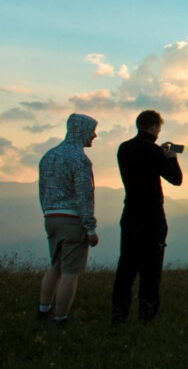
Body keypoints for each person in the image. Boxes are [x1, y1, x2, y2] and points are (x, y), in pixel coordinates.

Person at [111, 110, 182, 324]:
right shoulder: (154, 151)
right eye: (159, 128)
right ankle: (146, 316)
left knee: (126, 269)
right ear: (154, 127)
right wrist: (171, 158)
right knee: (150, 270)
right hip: (151, 217)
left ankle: (118, 315)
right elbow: (176, 179)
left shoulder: (124, 148)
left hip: (130, 214)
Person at [37, 113, 100, 325]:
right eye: (91, 131)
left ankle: (43, 308)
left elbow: (43, 189)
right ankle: (61, 318)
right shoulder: (80, 160)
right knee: (70, 272)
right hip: (72, 221)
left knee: (54, 265)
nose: (94, 135)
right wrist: (89, 228)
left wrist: (47, 212)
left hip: (51, 217)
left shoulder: (48, 156)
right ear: (82, 131)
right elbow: (84, 195)